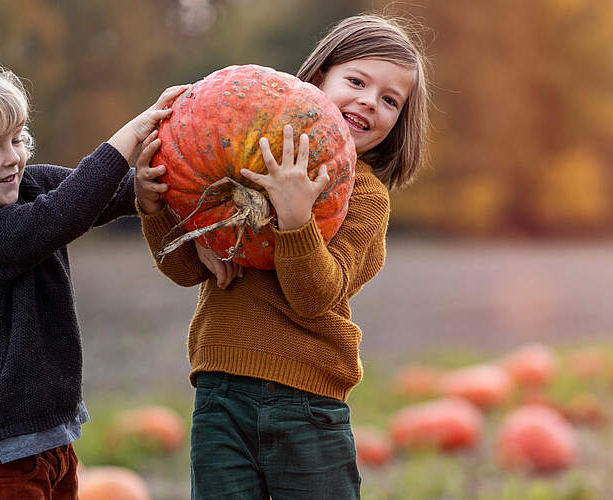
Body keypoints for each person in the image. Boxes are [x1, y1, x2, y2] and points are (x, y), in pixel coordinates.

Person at [135, 14, 431, 499]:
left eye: (390, 100)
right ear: (319, 79)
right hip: (220, 395)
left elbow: (316, 296)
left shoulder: (365, 198)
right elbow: (184, 270)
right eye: (357, 82)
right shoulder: (243, 155)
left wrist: (296, 220)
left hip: (308, 404)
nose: (368, 101)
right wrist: (154, 208)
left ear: (399, 122)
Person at [0, 52, 187, 499]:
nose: (14, 158)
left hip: (51, 435)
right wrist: (127, 138)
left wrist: (142, 187)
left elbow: (95, 195)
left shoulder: (27, 186)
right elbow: (62, 213)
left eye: (17, 139)